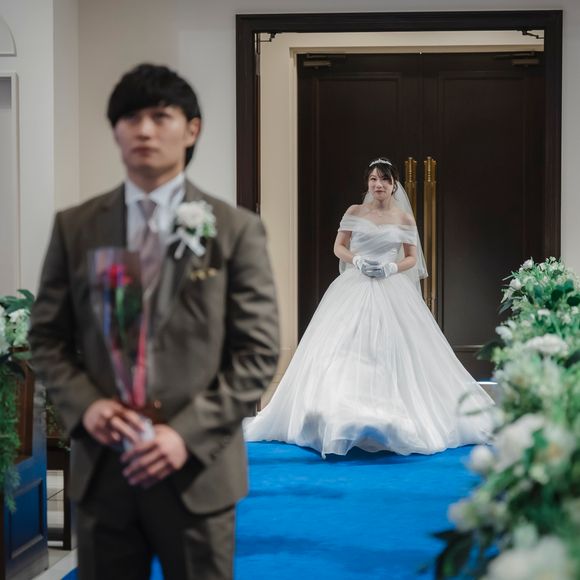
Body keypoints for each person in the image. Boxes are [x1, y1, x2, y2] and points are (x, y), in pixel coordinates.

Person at [29, 63, 279, 580]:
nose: (144, 130)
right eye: (130, 118)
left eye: (160, 116)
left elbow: (256, 354)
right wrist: (88, 406)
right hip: (105, 471)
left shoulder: (235, 230)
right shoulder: (77, 227)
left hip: (198, 473)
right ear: (115, 131)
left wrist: (184, 435)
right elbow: (48, 339)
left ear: (191, 129)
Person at [244, 157, 493, 457]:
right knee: (342, 348)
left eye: (384, 179)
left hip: (391, 287)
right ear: (367, 183)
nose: (378, 184)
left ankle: (391, 416)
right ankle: (338, 415)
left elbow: (412, 258)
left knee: (393, 350)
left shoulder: (404, 219)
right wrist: (357, 260)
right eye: (373, 179)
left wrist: (392, 267)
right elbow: (338, 247)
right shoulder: (354, 212)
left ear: (394, 184)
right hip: (354, 285)